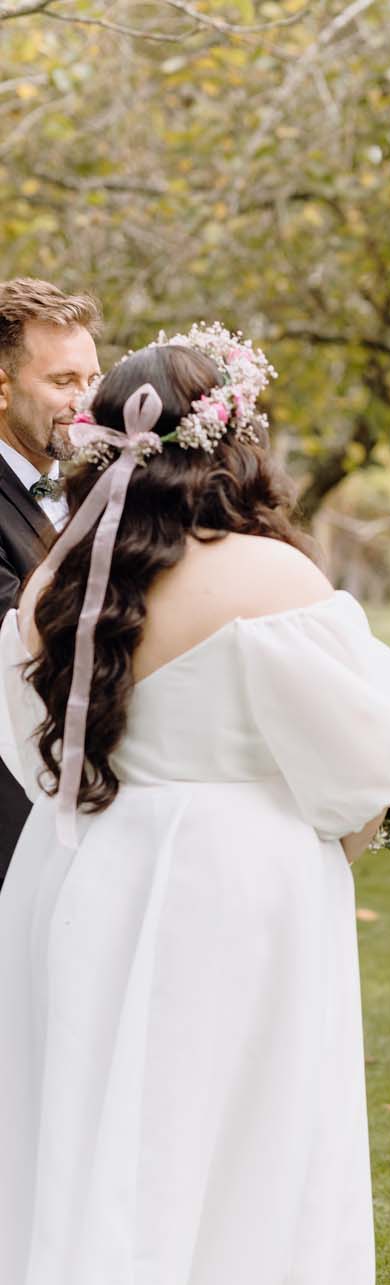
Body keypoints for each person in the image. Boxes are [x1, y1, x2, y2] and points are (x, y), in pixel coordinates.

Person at [0, 328, 390, 1285]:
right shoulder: (268, 579)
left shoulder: (55, 581)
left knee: (98, 1152)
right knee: (245, 1162)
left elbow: (24, 748)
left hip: (81, 880)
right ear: (239, 440)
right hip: (234, 902)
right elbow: (379, 758)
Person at [0, 277, 100, 886]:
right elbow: (21, 642)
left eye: (91, 379)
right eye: (63, 382)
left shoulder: (95, 485)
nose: (84, 401)